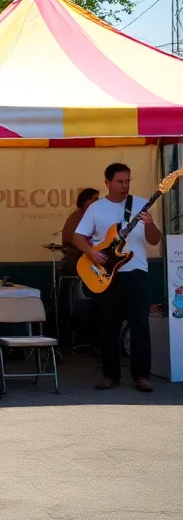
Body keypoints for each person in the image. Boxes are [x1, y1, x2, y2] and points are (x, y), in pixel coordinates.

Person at [72, 163, 159, 393]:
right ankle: (110, 375)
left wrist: (149, 225)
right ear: (107, 183)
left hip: (136, 271)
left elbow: (155, 240)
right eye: (120, 181)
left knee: (139, 324)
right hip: (107, 274)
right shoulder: (96, 209)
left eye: (128, 180)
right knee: (107, 325)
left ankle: (142, 375)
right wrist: (92, 253)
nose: (125, 185)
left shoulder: (141, 204)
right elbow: (78, 237)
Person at [60, 187, 100, 275]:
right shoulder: (76, 217)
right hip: (77, 258)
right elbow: (70, 239)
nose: (98, 202)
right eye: (95, 199)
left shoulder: (92, 216)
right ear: (86, 202)